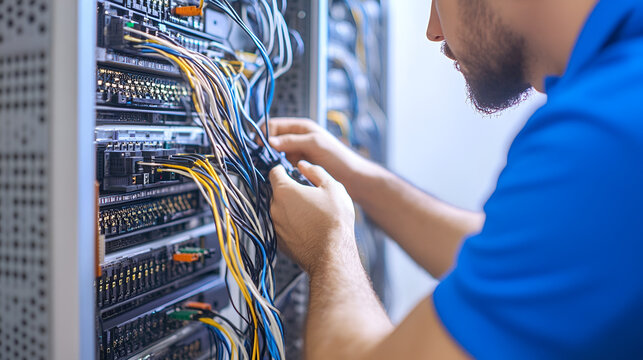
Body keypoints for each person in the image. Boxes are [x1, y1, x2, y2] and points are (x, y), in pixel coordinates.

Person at [268, 0, 643, 359]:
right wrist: (359, 180)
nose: (434, 30)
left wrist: (329, 247)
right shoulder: (622, 89)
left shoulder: (605, 135)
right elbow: (537, 260)